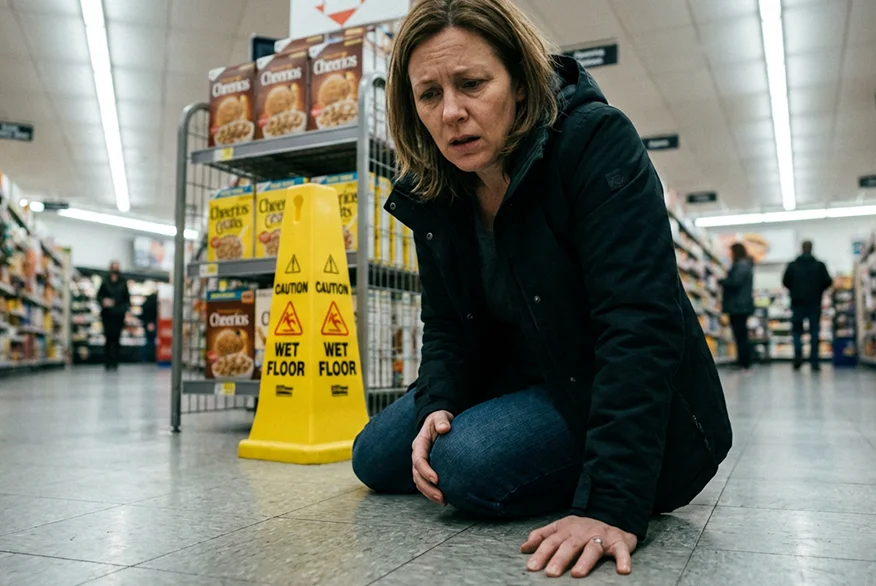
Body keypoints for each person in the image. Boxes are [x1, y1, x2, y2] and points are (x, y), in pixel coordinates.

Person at [352, 0, 732, 579]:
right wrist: (439, 402)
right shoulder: (437, 185)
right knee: (375, 456)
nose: (451, 112)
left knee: (463, 465)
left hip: (598, 378)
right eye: (429, 94)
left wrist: (611, 503)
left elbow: (639, 323)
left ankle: (579, 462)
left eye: (472, 84)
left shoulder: (595, 141)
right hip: (518, 373)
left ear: (521, 80)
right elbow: (446, 322)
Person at [782, 240, 832, 371]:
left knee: (797, 331)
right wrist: (818, 290)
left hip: (797, 303)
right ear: (811, 248)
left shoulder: (793, 265)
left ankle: (798, 357)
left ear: (802, 248)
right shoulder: (819, 265)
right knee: (814, 332)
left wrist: (794, 290)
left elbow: (785, 281)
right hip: (814, 303)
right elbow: (828, 281)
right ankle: (814, 361)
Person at [719, 243, 755, 371]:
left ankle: (744, 363)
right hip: (741, 306)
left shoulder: (741, 266)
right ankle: (742, 361)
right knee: (741, 335)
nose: (730, 255)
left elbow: (735, 283)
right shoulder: (744, 265)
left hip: (738, 306)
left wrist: (722, 281)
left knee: (740, 335)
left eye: (731, 252)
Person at [97, 260, 130, 371]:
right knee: (108, 338)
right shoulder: (105, 281)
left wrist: (122, 309)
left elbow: (127, 299)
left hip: (118, 315)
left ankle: (115, 362)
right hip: (107, 315)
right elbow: (98, 296)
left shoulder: (123, 282)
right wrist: (104, 301)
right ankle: (107, 362)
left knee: (116, 338)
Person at [141, 290, 158, 363]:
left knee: (149, 340)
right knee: (151, 341)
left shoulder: (147, 302)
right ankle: (150, 357)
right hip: (151, 323)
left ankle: (147, 357)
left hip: (147, 323)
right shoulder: (154, 302)